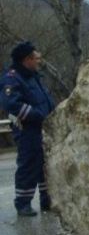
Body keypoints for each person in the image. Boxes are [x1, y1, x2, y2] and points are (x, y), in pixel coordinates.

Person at [0, 41, 55, 216]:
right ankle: (23, 203)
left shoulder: (32, 76)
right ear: (27, 59)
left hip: (44, 128)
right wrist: (37, 115)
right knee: (29, 164)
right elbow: (11, 103)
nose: (39, 61)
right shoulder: (12, 77)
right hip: (28, 130)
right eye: (36, 58)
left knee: (46, 164)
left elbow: (43, 99)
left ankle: (48, 199)